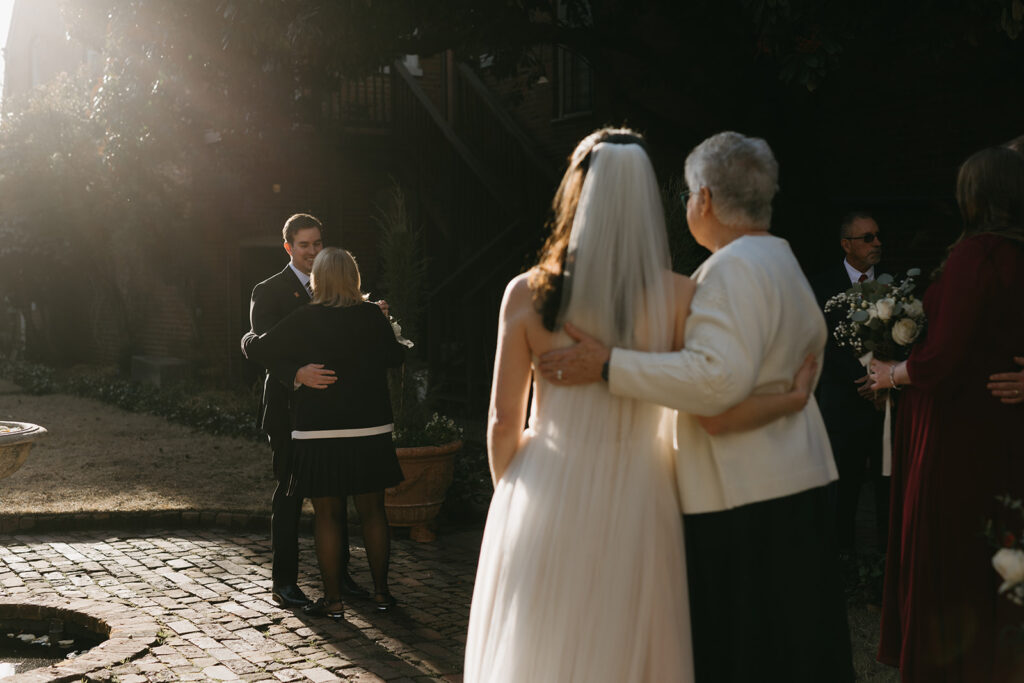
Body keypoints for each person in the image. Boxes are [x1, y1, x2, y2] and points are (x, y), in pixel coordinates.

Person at [464, 128, 824, 683]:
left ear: (575, 196)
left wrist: (514, 499)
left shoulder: (528, 294)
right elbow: (705, 387)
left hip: (547, 485)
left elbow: (503, 420)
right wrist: (790, 398)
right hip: (644, 488)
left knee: (546, 648)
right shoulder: (682, 295)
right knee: (632, 648)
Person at [868, 146, 1024, 681]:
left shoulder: (976, 255)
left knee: (955, 546)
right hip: (1005, 425)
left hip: (960, 428)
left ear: (977, 197)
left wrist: (892, 374)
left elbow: (944, 354)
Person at [243, 247, 406, 616]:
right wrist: (382, 325)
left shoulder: (305, 317)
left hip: (319, 433)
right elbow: (396, 358)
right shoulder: (370, 316)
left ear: (318, 279)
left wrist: (246, 340)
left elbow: (260, 346)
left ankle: (333, 602)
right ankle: (382, 594)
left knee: (328, 516)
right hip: (370, 429)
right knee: (373, 513)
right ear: (353, 277)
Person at [247, 213, 366, 608]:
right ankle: (285, 582)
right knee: (291, 493)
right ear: (288, 247)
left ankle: (341, 577)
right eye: (304, 245)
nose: (313, 252)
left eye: (318, 243)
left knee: (335, 492)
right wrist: (295, 373)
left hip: (333, 410)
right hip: (288, 407)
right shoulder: (268, 290)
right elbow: (259, 347)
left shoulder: (335, 286)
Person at [811, 211, 890, 553]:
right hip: (842, 402)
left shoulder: (894, 283)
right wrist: (861, 378)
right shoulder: (821, 285)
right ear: (846, 245)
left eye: (877, 236)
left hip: (887, 401)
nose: (877, 243)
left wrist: (884, 379)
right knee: (841, 492)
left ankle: (885, 569)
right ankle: (841, 571)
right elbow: (818, 341)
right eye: (867, 237)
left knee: (888, 489)